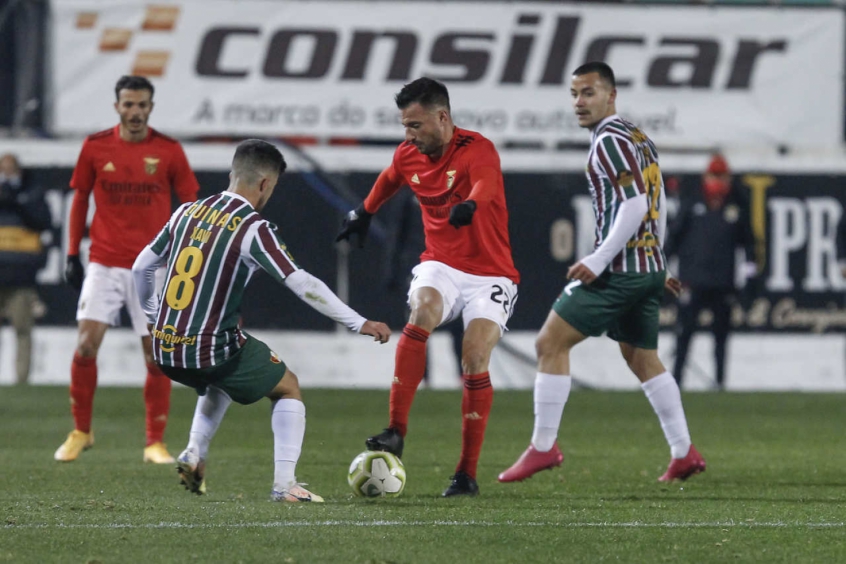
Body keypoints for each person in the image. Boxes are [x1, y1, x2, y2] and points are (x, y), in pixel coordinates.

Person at [132, 139, 391, 502]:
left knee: (224, 372)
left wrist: (152, 317)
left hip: (166, 347)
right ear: (266, 184)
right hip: (207, 348)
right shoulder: (254, 227)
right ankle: (285, 485)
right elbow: (302, 283)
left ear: (232, 173)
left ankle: (193, 453)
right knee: (288, 386)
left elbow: (141, 267)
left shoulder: (186, 212)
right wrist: (357, 321)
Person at [498, 62, 706, 484]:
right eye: (574, 94)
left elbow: (634, 205)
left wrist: (598, 259)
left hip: (621, 270)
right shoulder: (636, 136)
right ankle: (684, 452)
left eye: (588, 93)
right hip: (646, 268)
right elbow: (659, 198)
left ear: (611, 96)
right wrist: (658, 260)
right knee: (641, 356)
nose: (579, 102)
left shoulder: (609, 142)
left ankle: (543, 447)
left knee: (549, 342)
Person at [336, 77, 520, 497]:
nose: (409, 135)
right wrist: (363, 213)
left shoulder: (478, 149)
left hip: (492, 272)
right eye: (405, 126)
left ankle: (465, 474)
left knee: (474, 356)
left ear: (442, 117)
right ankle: (396, 430)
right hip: (441, 263)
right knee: (421, 312)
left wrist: (471, 204)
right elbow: (389, 177)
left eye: (415, 125)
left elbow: (486, 184)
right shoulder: (409, 155)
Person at [54, 75, 200, 464]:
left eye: (142, 105)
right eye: (128, 104)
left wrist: (188, 254)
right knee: (86, 344)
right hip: (103, 261)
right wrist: (72, 253)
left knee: (155, 354)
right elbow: (80, 197)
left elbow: (190, 203)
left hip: (153, 267)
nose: (135, 112)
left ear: (151, 108)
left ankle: (154, 442)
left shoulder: (169, 151)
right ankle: (81, 431)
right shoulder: (95, 146)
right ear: (117, 106)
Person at [664, 154, 755, 390]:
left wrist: (748, 278)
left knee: (721, 337)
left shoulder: (737, 205)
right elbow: (674, 237)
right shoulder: (692, 202)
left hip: (722, 282)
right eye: (714, 175)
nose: (718, 181)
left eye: (721, 176)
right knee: (684, 335)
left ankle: (720, 382)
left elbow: (749, 244)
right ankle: (676, 381)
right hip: (691, 280)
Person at [0, 153, 51, 384]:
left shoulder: (33, 193)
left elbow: (43, 222)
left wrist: (19, 202)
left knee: (23, 330)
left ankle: (22, 380)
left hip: (21, 275)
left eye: (10, 169)